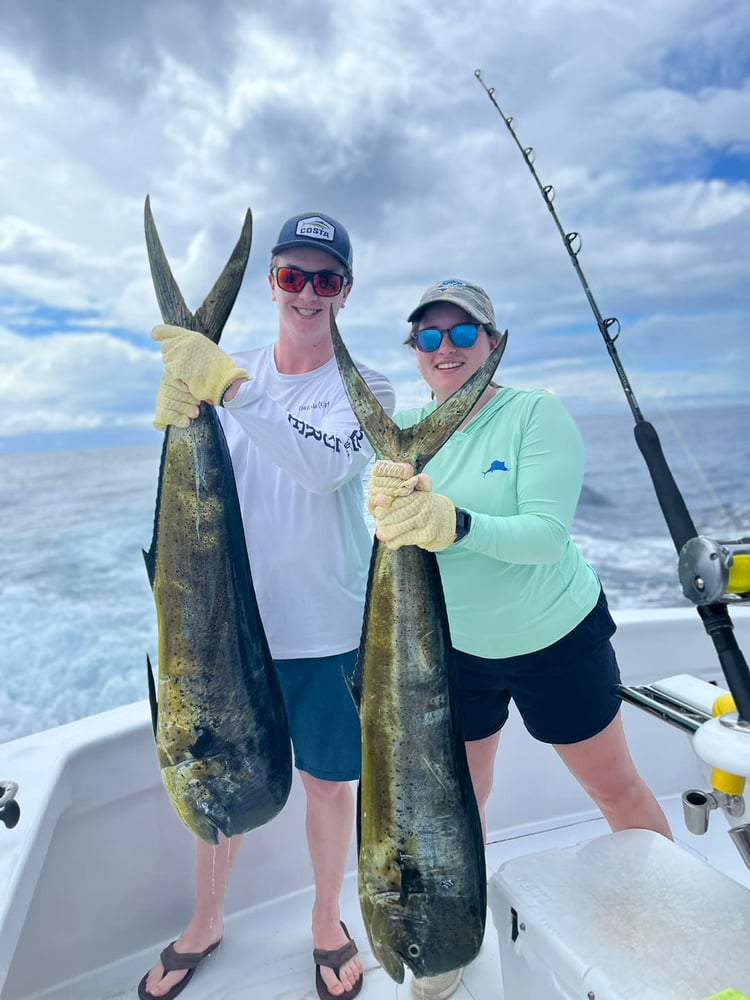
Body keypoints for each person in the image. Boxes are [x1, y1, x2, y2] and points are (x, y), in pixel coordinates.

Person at [366, 278, 672, 1000]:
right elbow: (379, 529)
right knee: (459, 797)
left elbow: (546, 536)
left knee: (613, 787)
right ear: (415, 351)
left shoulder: (536, 414)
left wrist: (456, 522)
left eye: (463, 333)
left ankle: (667, 913)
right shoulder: (403, 432)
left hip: (553, 638)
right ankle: (445, 936)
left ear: (492, 343)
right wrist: (380, 505)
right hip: (454, 653)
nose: (447, 348)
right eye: (430, 337)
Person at [140, 212, 395, 1000]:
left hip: (324, 630)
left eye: (326, 279)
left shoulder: (367, 387)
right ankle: (206, 918)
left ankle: (326, 919)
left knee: (329, 785)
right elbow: (196, 498)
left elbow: (321, 471)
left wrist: (224, 387)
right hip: (221, 633)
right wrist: (189, 402)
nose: (308, 292)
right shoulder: (223, 375)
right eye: (293, 275)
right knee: (213, 777)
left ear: (344, 293)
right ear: (273, 283)